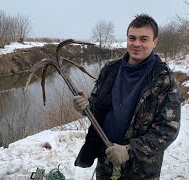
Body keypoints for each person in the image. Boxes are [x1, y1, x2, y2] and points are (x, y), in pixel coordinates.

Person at [73, 13, 181, 180]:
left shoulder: (164, 79)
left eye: (144, 39)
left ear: (155, 42)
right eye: (132, 38)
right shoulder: (110, 70)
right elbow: (98, 107)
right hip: (106, 159)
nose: (136, 44)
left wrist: (129, 150)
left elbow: (168, 129)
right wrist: (86, 105)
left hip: (141, 169)